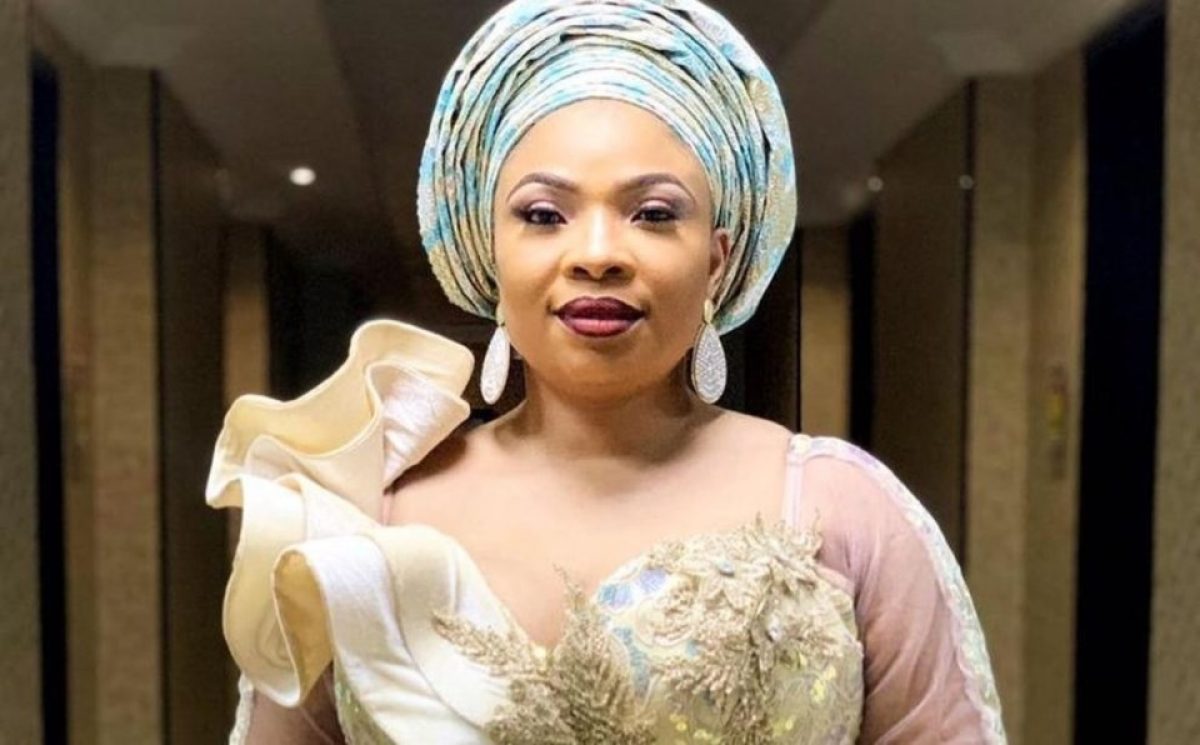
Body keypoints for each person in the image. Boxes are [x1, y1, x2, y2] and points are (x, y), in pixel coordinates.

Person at [208, 0, 1007, 742]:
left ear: (717, 261)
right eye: (543, 215)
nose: (596, 254)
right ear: (491, 252)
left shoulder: (845, 512)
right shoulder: (366, 514)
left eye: (653, 214)